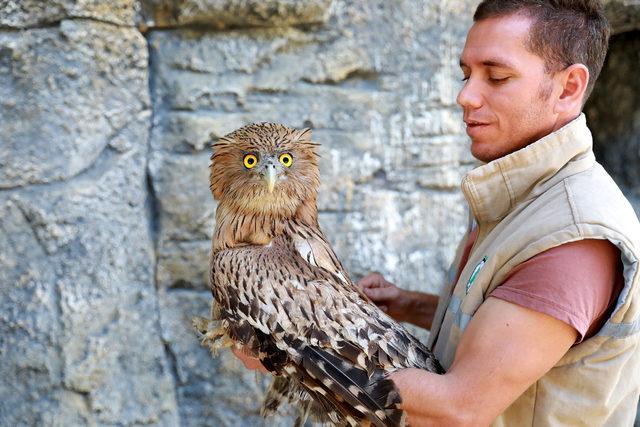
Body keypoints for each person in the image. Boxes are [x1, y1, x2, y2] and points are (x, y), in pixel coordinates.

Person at [235, 1, 640, 425]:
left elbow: (458, 406)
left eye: (497, 77)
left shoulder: (571, 236)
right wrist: (407, 305)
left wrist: (290, 349)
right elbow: (510, 333)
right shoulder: (525, 196)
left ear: (569, 88)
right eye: (466, 75)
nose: (465, 96)